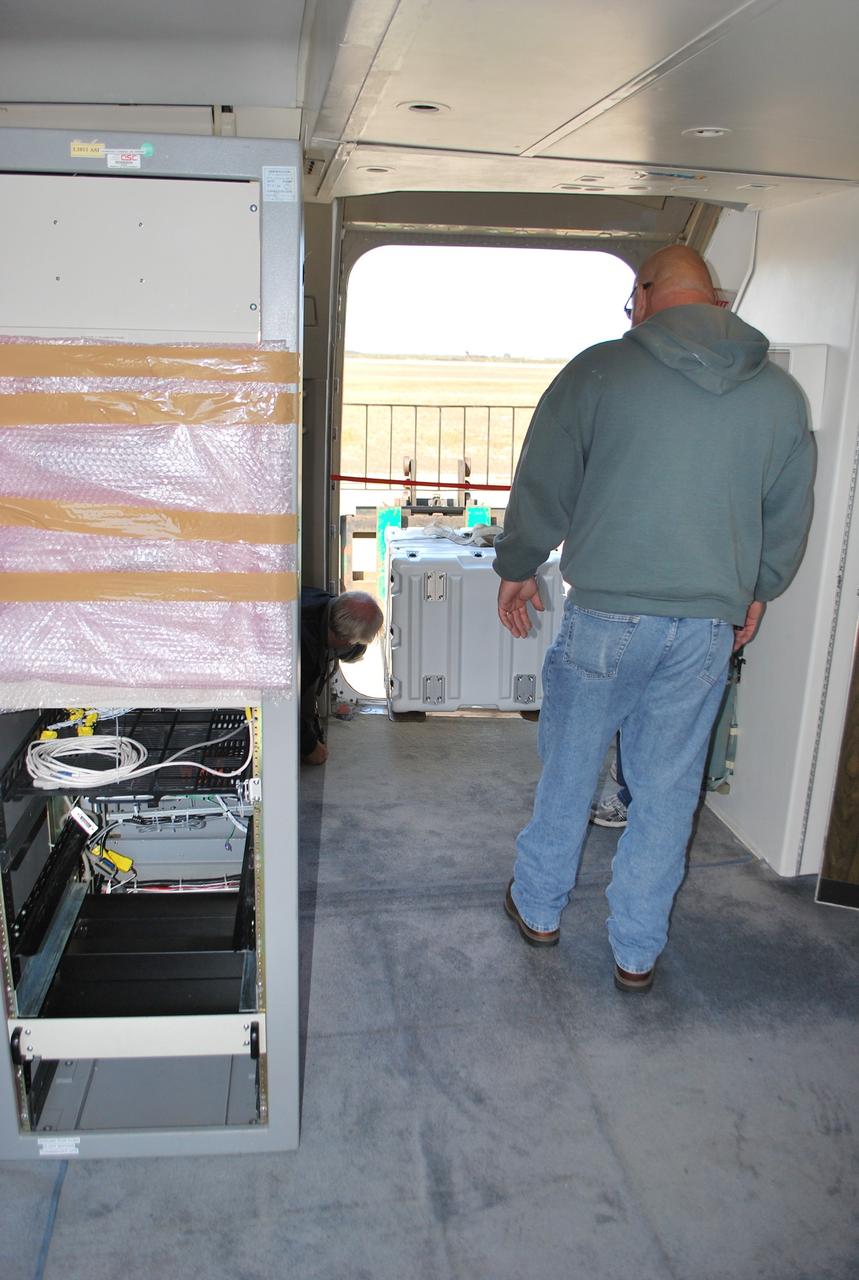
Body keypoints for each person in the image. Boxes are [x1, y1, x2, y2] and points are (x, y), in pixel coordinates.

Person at [494, 245, 815, 992]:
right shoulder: (779, 395)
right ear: (717, 299)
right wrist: (757, 589)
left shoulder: (600, 370)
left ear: (642, 295)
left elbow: (545, 478)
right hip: (705, 628)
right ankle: (635, 951)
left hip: (606, 616)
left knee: (570, 770)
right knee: (667, 793)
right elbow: (785, 513)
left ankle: (539, 910)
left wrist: (519, 563)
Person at [301, 587, 383, 765]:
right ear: (345, 641)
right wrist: (310, 746)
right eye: (356, 643)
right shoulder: (305, 652)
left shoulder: (319, 597)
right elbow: (282, 705)